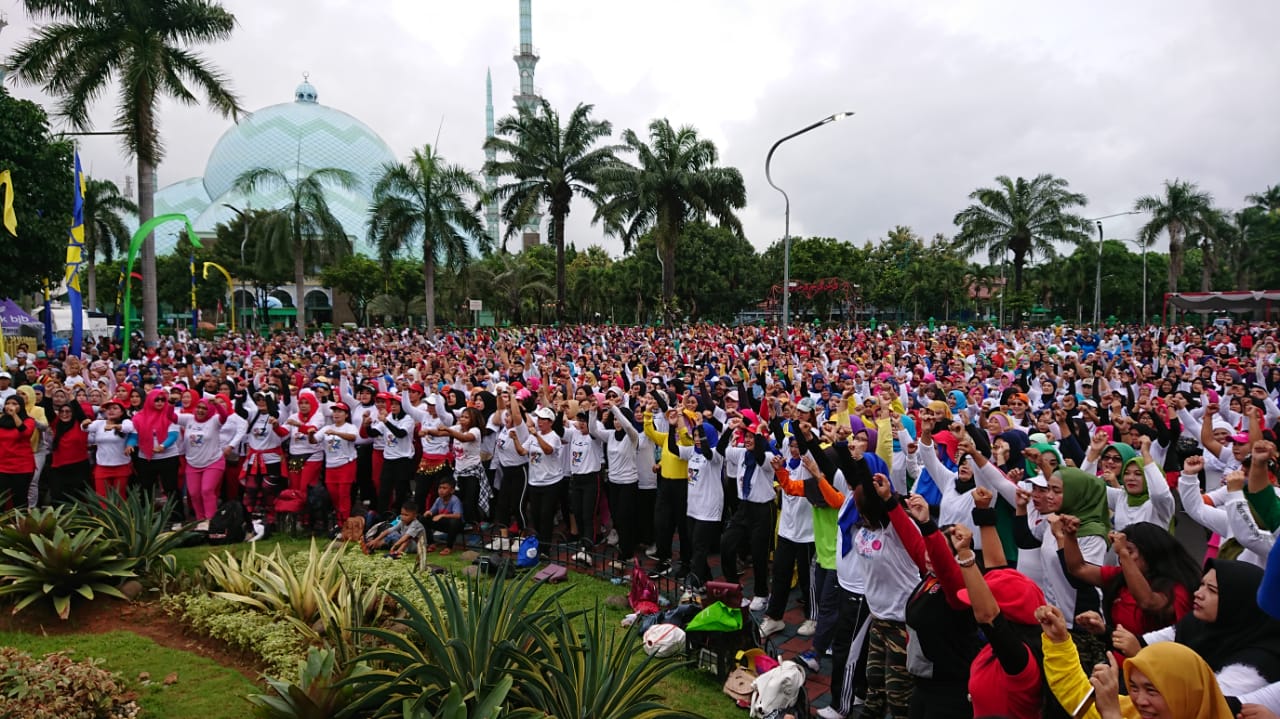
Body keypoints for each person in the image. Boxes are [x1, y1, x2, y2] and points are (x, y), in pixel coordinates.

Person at [1113, 559, 1280, 699]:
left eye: (1212, 590)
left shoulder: (1257, 661)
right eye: (1202, 585)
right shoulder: (1197, 623)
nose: (1198, 594)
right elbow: (1145, 643)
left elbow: (1207, 705)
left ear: (1236, 602)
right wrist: (1103, 631)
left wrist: (1143, 658)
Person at [1038, 602, 1233, 719]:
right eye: (1133, 687)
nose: (1140, 700)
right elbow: (1079, 698)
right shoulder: (1132, 711)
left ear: (1186, 692)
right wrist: (1059, 642)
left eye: (1151, 690)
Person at [176, 398, 228, 523]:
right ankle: (200, 520)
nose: (200, 410)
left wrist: (217, 404)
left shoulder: (214, 420)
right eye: (198, 407)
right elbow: (170, 416)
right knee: (194, 493)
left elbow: (224, 416)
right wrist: (171, 403)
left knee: (207, 490)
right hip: (193, 463)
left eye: (204, 408)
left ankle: (210, 521)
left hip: (213, 461)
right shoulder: (188, 419)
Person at [313, 402, 360, 525]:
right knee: (334, 495)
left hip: (346, 464)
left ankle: (344, 523)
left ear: (346, 415)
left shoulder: (350, 427)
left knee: (344, 494)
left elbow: (353, 437)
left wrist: (336, 433)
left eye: (339, 411)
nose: (336, 414)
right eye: (334, 411)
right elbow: (314, 440)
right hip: (330, 466)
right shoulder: (326, 428)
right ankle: (338, 520)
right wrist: (309, 433)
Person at [88, 399, 135, 499]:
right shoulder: (99, 423)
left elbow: (129, 428)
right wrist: (84, 423)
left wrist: (114, 426)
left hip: (121, 466)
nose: (111, 411)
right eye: (108, 409)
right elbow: (85, 428)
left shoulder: (126, 422)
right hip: (102, 467)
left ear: (122, 412)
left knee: (120, 498)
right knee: (102, 497)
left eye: (115, 408)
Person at [0, 395, 37, 507]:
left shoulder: (29, 421)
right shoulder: (1, 421)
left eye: (14, 404)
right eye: (8, 403)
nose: (10, 406)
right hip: (2, 465)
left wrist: (14, 415)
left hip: (21, 466)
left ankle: (20, 523)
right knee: (2, 499)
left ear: (21, 406)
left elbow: (25, 433)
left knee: (19, 499)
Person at [423, 476, 464, 555]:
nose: (441, 490)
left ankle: (449, 547)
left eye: (444, 488)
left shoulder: (454, 500)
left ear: (452, 490)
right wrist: (428, 513)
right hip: (444, 524)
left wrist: (442, 515)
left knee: (454, 522)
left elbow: (458, 515)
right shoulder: (438, 499)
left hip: (456, 526)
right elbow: (432, 511)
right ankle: (431, 543)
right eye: (440, 487)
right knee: (423, 519)